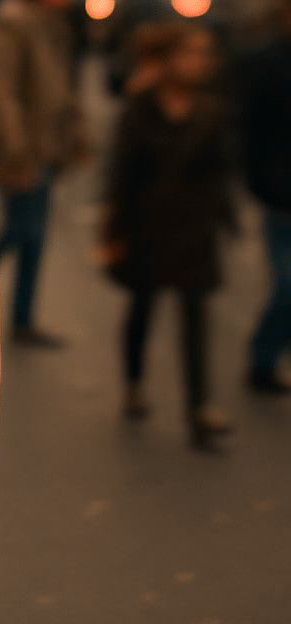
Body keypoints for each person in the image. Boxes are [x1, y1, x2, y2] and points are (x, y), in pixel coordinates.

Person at [98, 22, 237, 449]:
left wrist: (224, 219)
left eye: (204, 54)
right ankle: (134, 382)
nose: (198, 62)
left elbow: (221, 171)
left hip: (195, 230)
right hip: (148, 227)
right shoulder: (140, 109)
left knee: (196, 317)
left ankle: (199, 406)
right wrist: (113, 229)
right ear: (169, 60)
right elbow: (121, 173)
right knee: (143, 306)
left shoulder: (212, 111)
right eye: (189, 52)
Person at [0, 0, 90, 347]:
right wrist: (14, 148)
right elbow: (0, 91)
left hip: (45, 147)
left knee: (33, 236)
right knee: (23, 231)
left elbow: (60, 87)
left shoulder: (50, 24)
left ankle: (22, 318)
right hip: (25, 148)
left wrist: (74, 134)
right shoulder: (13, 23)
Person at [238, 0, 291, 394]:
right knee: (288, 285)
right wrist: (259, 181)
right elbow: (245, 129)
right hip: (281, 197)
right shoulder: (264, 60)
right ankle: (263, 357)